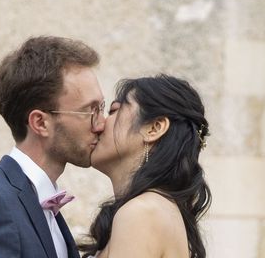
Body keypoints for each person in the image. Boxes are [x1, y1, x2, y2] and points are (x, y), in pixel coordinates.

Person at [0, 36, 106, 258]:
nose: (101, 123)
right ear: (40, 123)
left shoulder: (38, 203)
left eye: (101, 108)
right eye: (90, 110)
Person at [80, 74, 211, 258]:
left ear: (154, 128)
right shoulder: (157, 208)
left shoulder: (142, 212)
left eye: (113, 111)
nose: (100, 123)